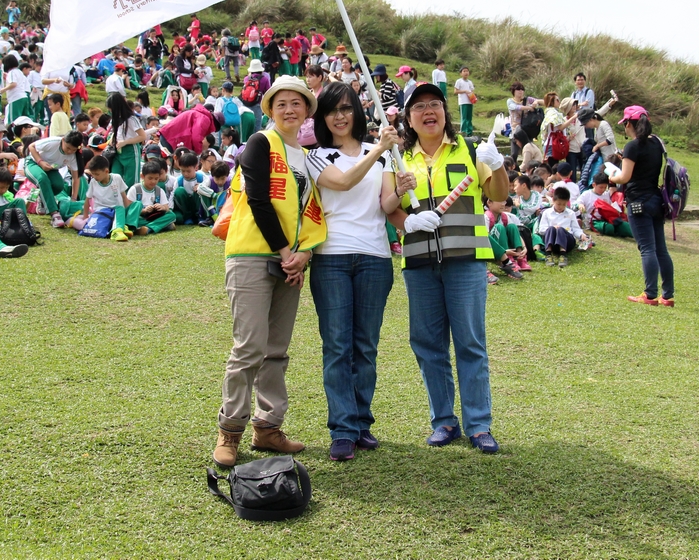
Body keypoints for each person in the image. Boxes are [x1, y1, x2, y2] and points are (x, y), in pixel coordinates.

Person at [390, 81, 508, 454]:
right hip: (419, 264)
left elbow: (499, 197)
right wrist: (405, 222)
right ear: (409, 118)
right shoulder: (398, 158)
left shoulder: (471, 150)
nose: (429, 111)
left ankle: (478, 425)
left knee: (471, 344)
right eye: (419, 106)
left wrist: (499, 163)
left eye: (435, 104)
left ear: (445, 112)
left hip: (467, 262)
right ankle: (443, 421)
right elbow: (389, 206)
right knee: (428, 345)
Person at [212, 76, 325, 467]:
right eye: (282, 104)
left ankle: (268, 428)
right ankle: (230, 431)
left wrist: (302, 255)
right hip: (252, 254)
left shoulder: (307, 155)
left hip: (290, 260)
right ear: (270, 110)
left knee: (276, 350)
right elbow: (259, 200)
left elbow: (311, 213)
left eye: (297, 103)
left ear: (307, 110)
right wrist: (285, 252)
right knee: (249, 347)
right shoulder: (261, 142)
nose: (290, 109)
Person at [305, 82, 410, 461]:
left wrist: (401, 188)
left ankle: (362, 423)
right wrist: (381, 149)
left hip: (375, 257)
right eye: (332, 110)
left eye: (346, 108)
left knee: (365, 345)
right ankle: (343, 429)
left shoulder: (380, 153)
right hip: (331, 256)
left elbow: (385, 205)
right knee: (337, 345)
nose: (339, 116)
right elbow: (342, 182)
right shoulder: (316, 156)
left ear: (357, 112)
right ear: (322, 117)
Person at [606, 106, 675, 306]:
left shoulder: (633, 147)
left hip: (638, 202)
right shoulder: (657, 143)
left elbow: (625, 177)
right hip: (656, 200)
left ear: (629, 124)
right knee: (661, 249)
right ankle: (667, 295)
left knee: (647, 249)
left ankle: (650, 294)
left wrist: (612, 176)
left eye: (625, 124)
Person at [27, 131, 85, 229]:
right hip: (34, 163)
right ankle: (55, 214)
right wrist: (40, 162)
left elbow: (76, 177)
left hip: (51, 169)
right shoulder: (53, 142)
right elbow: (31, 146)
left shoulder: (73, 157)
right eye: (68, 148)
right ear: (63, 140)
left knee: (59, 185)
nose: (69, 152)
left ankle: (42, 199)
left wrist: (73, 198)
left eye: (73, 150)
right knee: (42, 178)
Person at [125, 158, 177, 235]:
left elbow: (166, 208)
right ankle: (135, 228)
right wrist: (144, 211)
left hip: (153, 217)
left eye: (156, 179)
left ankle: (147, 229)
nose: (153, 181)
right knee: (138, 204)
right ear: (142, 176)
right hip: (140, 217)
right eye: (150, 178)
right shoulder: (135, 189)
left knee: (171, 215)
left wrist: (162, 207)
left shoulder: (159, 191)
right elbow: (129, 209)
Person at [536, 186, 585, 267]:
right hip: (552, 242)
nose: (561, 206)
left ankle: (563, 254)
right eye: (559, 204)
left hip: (567, 242)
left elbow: (575, 229)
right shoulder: (547, 213)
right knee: (551, 228)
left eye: (564, 204)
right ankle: (548, 254)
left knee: (561, 230)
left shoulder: (570, 213)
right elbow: (541, 229)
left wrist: (581, 235)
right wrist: (553, 228)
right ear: (554, 201)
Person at [107, 92, 146, 189]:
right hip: (118, 152)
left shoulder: (131, 119)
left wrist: (125, 142)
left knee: (131, 181)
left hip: (131, 151)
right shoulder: (115, 119)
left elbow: (142, 136)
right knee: (115, 177)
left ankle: (131, 203)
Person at [453, 66, 475, 137]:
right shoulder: (459, 81)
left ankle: (469, 132)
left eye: (467, 71)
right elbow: (455, 91)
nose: (466, 73)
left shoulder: (470, 82)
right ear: (461, 73)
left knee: (469, 118)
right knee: (464, 118)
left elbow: (472, 91)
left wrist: (473, 98)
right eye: (464, 71)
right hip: (463, 102)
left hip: (470, 102)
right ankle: (463, 132)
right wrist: (464, 91)